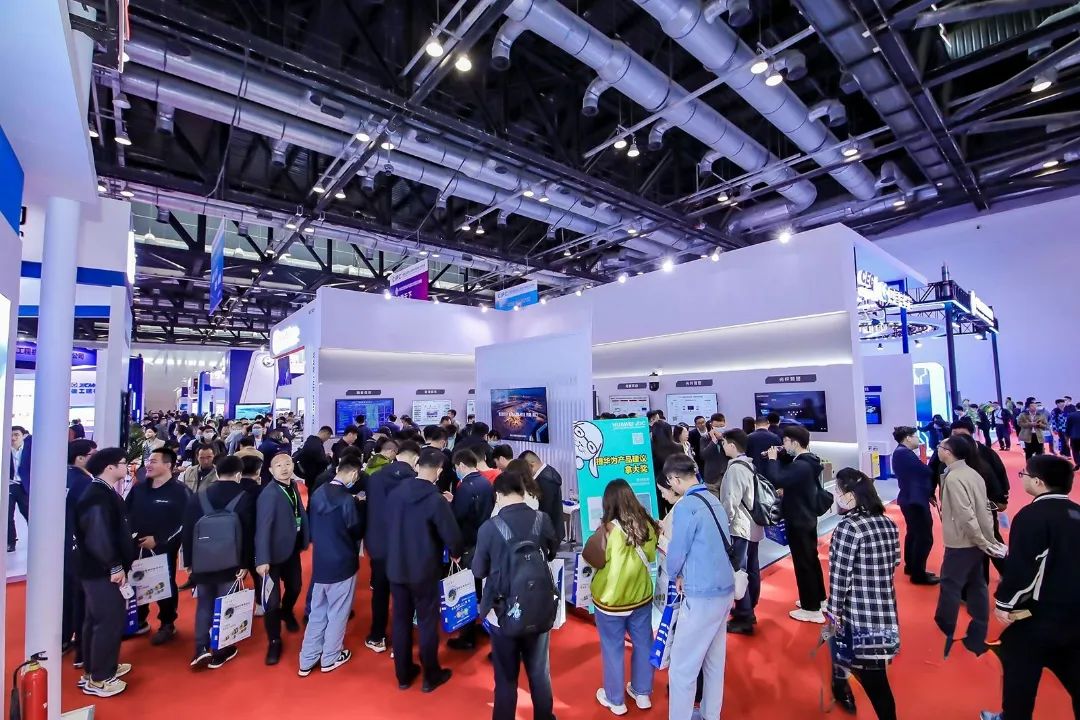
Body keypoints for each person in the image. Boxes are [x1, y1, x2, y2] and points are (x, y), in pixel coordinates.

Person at [980, 455, 1080, 720]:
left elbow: (1024, 567)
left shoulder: (1032, 516)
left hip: (1040, 613)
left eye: (1024, 474)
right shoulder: (1077, 512)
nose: (1022, 477)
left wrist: (1004, 603)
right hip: (1074, 613)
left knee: (1019, 667)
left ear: (1038, 482)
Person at [471, 466, 559, 720]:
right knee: (540, 673)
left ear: (498, 495)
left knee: (506, 678)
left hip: (503, 610)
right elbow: (551, 552)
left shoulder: (489, 528)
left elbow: (479, 570)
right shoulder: (542, 519)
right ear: (522, 491)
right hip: (539, 606)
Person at [662, 453, 737, 720]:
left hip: (701, 594)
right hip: (724, 589)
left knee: (682, 668)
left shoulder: (686, 506)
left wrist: (674, 573)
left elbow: (677, 550)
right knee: (714, 662)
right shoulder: (712, 499)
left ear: (674, 479)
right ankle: (709, 714)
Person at [386, 447, 463, 692]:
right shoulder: (435, 500)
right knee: (428, 621)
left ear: (417, 465)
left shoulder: (396, 493)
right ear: (439, 471)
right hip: (424, 569)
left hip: (396, 566)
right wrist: (456, 552)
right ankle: (431, 675)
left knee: (400, 620)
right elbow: (452, 537)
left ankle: (403, 674)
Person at [826, 469, 901, 720]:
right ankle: (840, 687)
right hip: (884, 609)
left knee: (875, 681)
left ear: (850, 495)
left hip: (857, 614)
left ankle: (842, 688)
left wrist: (833, 614)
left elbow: (839, 578)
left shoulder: (848, 528)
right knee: (872, 670)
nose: (836, 496)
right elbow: (895, 562)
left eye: (838, 491)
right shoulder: (888, 523)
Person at [583, 480, 659, 715]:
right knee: (644, 643)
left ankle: (615, 700)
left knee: (613, 648)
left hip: (610, 601)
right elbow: (651, 556)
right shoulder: (647, 525)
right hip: (641, 597)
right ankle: (642, 692)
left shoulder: (607, 530)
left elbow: (591, 557)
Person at [933, 435, 1006, 657]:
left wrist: (981, 540)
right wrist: (986, 539)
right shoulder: (972, 473)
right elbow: (984, 509)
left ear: (949, 452)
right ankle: (978, 627)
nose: (938, 449)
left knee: (950, 584)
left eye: (941, 446)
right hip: (973, 540)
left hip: (961, 542)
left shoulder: (955, 478)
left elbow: (965, 514)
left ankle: (944, 629)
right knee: (976, 583)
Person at [182, 454, 254, 670]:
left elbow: (188, 530)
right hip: (231, 562)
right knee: (227, 604)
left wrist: (189, 562)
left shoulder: (199, 496)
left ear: (216, 471)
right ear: (239, 474)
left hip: (202, 561)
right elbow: (248, 534)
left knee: (204, 603)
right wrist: (245, 564)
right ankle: (222, 650)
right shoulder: (244, 497)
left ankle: (200, 648)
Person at [75, 447, 136, 697]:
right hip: (102, 570)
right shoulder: (97, 496)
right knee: (108, 620)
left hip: (97, 568)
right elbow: (97, 535)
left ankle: (96, 668)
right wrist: (114, 565)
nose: (126, 467)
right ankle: (100, 678)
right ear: (110, 467)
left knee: (95, 619)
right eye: (123, 463)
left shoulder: (103, 492)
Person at [298, 454, 365, 676]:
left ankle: (307, 659)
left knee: (318, 611)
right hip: (343, 561)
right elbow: (355, 529)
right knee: (338, 611)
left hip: (321, 562)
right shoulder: (346, 500)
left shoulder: (318, 492)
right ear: (354, 474)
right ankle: (331, 656)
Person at [764, 425, 827, 623]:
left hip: (799, 519)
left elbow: (777, 478)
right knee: (810, 560)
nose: (783, 445)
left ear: (794, 442)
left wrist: (772, 460)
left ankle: (811, 609)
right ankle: (818, 599)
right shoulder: (809, 461)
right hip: (806, 517)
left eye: (785, 441)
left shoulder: (801, 465)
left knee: (803, 564)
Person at [126, 447, 189, 644]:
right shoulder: (139, 488)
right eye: (148, 461)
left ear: (168, 465)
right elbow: (126, 514)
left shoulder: (180, 491)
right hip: (136, 547)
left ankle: (167, 623)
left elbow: (185, 522)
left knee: (165, 584)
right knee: (137, 582)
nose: (148, 465)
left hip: (163, 548)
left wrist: (159, 539)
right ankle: (139, 619)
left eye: (153, 461)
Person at [364, 440, 422, 654]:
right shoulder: (416, 481)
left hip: (379, 544)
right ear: (416, 459)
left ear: (396, 455)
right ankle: (401, 642)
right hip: (406, 547)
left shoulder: (374, 478)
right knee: (404, 595)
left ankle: (377, 636)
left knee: (380, 592)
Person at [255, 452, 310, 666]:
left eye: (288, 463)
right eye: (279, 465)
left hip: (291, 550)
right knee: (271, 601)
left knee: (295, 586)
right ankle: (274, 640)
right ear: (270, 470)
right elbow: (263, 528)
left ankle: (286, 612)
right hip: (271, 556)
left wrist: (305, 538)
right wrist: (262, 558)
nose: (285, 468)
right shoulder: (269, 494)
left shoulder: (293, 486)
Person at [447, 448, 496, 651]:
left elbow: (457, 519)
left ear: (461, 465)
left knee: (466, 590)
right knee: (480, 588)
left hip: (468, 545)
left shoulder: (465, 487)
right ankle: (484, 624)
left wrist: (455, 550)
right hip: (484, 542)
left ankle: (467, 636)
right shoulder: (486, 482)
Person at [718, 429, 763, 633]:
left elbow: (731, 501)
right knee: (751, 569)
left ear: (731, 445)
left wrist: (723, 523)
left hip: (740, 527)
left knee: (739, 571)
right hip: (753, 525)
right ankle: (749, 607)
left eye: (724, 443)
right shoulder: (749, 465)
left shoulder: (736, 469)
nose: (723, 447)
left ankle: (744, 614)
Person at [890, 426, 939, 586]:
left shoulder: (902, 453)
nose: (919, 439)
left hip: (911, 498)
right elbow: (925, 472)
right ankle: (918, 573)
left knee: (914, 534)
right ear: (908, 438)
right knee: (924, 537)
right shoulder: (904, 454)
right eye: (916, 436)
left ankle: (912, 567)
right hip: (914, 500)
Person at [64, 439, 97, 660]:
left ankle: (64, 637)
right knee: (80, 596)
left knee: (66, 593)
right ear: (81, 458)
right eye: (94, 454)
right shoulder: (86, 483)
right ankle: (82, 649)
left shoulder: (62, 477)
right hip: (80, 546)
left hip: (62, 544)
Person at [520, 450, 565, 543]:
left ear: (531, 464)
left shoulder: (545, 481)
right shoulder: (549, 471)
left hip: (549, 534)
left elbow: (545, 511)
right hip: (552, 529)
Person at [8, 425, 32, 553]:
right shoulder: (5, 449)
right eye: (11, 435)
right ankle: (10, 542)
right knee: (7, 515)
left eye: (16, 435)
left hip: (24, 486)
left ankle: (36, 539)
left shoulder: (30, 449)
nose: (13, 438)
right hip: (10, 485)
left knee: (29, 513)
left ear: (23, 436)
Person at [699, 413, 729, 487]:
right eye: (716, 426)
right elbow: (703, 455)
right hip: (712, 478)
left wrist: (723, 439)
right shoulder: (705, 438)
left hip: (727, 475)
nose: (719, 428)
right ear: (711, 425)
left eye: (721, 426)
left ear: (725, 424)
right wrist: (713, 441)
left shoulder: (729, 437)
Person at [1067, 404, 1080, 471]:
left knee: (1075, 451)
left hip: (1074, 436)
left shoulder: (1071, 415)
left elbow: (1068, 426)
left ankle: (1078, 463)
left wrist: (1067, 436)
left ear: (1075, 407)